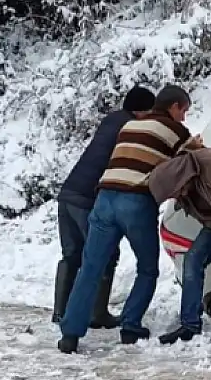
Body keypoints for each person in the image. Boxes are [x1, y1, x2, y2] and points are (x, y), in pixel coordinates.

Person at [57, 86, 200, 354]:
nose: (184, 118)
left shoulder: (131, 126)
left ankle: (70, 333)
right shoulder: (176, 131)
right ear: (174, 107)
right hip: (136, 201)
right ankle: (131, 326)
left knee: (91, 267)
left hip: (104, 197)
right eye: (184, 111)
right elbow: (189, 160)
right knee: (147, 268)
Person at [53, 85, 155, 328]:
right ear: (141, 111)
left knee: (71, 254)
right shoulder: (131, 127)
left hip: (68, 193)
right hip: (88, 198)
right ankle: (96, 313)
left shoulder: (111, 119)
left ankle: (60, 312)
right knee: (104, 254)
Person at [148, 146, 211, 344]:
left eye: (174, 192)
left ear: (181, 179)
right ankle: (189, 325)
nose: (175, 197)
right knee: (192, 260)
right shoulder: (184, 193)